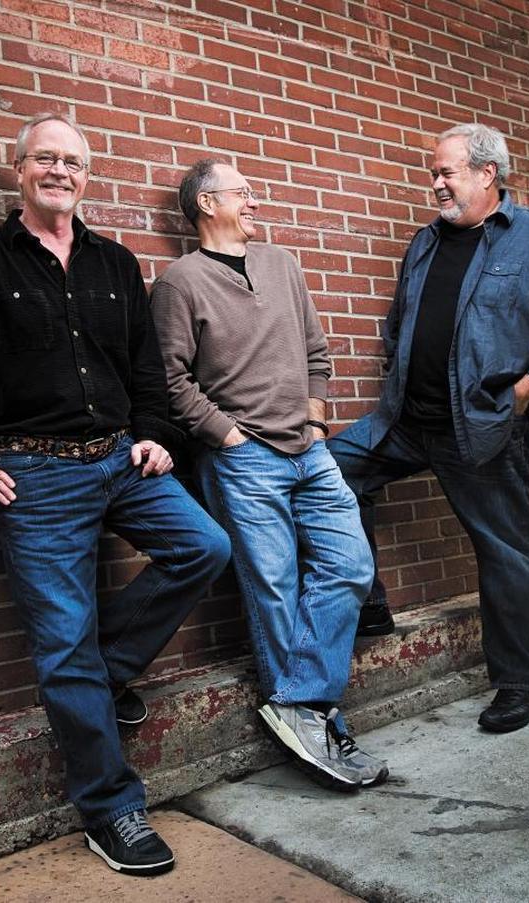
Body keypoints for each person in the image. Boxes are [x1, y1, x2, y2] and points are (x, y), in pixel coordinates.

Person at [0, 113, 231, 877]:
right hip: (33, 476)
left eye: (73, 161)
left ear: (87, 176)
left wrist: (155, 432)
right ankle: (112, 808)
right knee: (61, 643)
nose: (60, 171)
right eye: (45, 158)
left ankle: (104, 674)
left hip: (120, 459)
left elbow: (147, 366)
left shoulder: (115, 263)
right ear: (19, 171)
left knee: (204, 546)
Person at [328, 123, 529, 733]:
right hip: (406, 420)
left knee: (505, 552)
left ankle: (519, 683)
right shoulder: (424, 243)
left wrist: (523, 393)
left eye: (445, 172)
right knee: (330, 470)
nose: (436, 185)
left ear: (486, 173)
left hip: (483, 425)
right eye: (433, 174)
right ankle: (368, 599)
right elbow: (402, 323)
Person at [150, 159, 386, 792]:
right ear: (206, 204)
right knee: (274, 588)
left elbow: (316, 353)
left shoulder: (283, 264)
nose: (255, 202)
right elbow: (170, 380)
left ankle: (298, 703)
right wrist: (226, 434)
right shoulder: (179, 282)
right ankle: (318, 720)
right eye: (243, 193)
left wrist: (313, 425)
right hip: (243, 457)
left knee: (351, 566)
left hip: (309, 453)